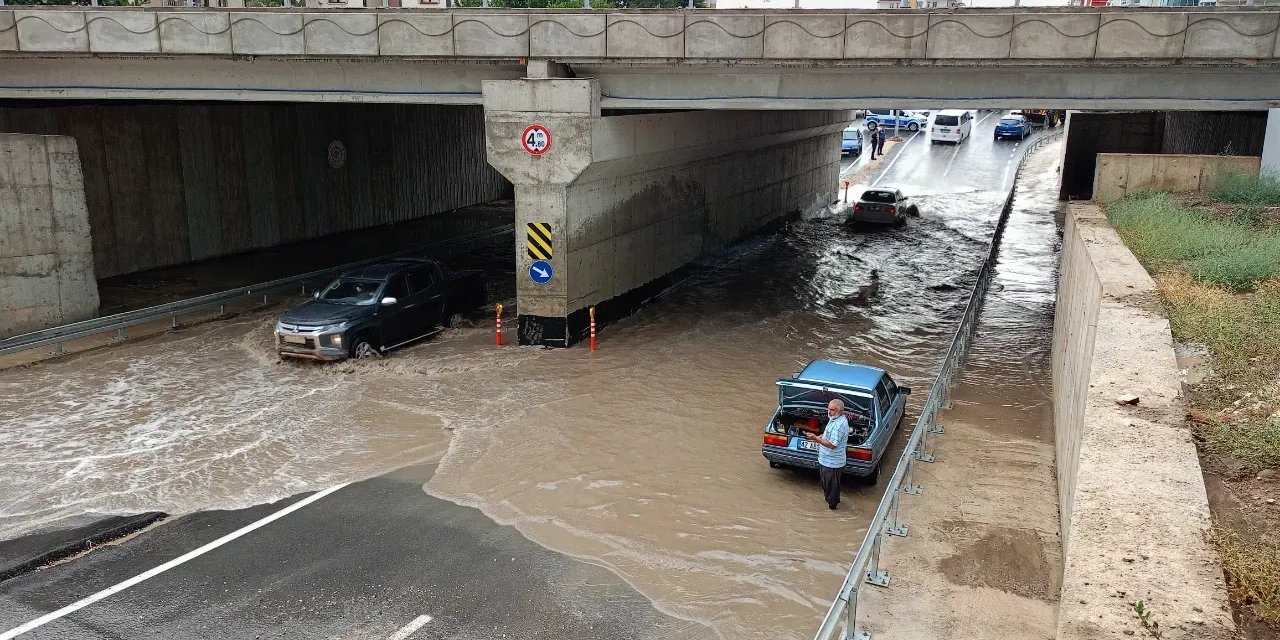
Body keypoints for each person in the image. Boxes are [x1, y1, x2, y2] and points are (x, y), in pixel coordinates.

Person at [805, 398, 850, 510]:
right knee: (827, 485)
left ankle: (832, 508)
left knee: (832, 488)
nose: (829, 412)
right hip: (825, 460)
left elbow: (832, 444)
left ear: (839, 411)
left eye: (832, 410)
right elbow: (828, 436)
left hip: (832, 462)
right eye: (828, 409)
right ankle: (830, 502)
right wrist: (819, 437)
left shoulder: (839, 425)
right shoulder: (833, 419)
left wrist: (816, 438)